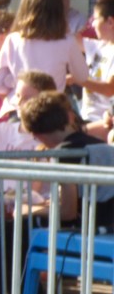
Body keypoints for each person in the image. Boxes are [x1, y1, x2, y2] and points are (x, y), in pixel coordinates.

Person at [0, 0, 88, 117]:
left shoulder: (13, 40)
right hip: (51, 110)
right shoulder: (67, 41)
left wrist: (13, 81)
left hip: (20, 109)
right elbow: (82, 76)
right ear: (58, 10)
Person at [21, 90, 114, 232]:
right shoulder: (101, 146)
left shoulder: (63, 155)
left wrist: (29, 210)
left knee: (24, 224)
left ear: (36, 135)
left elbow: (68, 213)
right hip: (105, 225)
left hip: (94, 229)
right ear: (71, 117)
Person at [69, 0, 114, 139]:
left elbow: (109, 89)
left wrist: (78, 79)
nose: (92, 24)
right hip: (86, 116)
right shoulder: (97, 46)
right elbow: (68, 39)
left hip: (105, 121)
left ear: (110, 22)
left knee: (72, 138)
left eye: (95, 19)